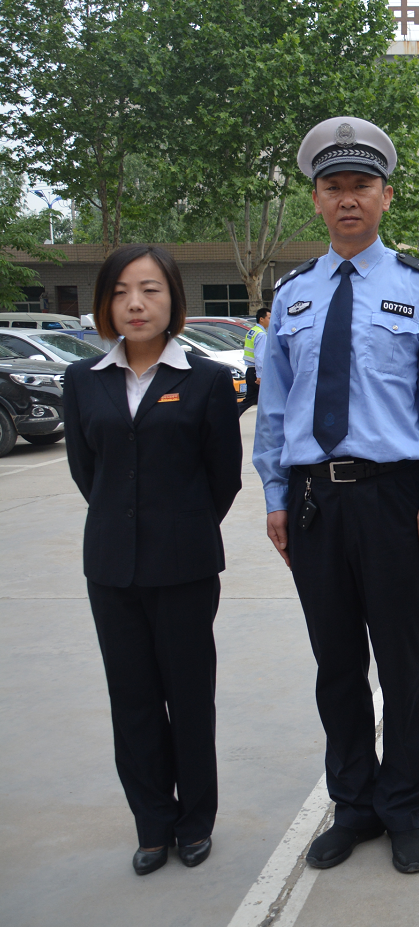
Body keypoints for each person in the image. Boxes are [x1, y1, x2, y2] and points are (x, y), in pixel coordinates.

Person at [253, 117, 419, 874]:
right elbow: (274, 407)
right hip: (313, 501)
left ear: (384, 196)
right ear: (316, 200)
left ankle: (404, 806)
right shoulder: (294, 296)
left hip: (391, 497)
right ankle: (353, 804)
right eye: (333, 186)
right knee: (336, 660)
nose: (348, 199)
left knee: (402, 660)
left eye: (361, 186)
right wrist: (275, 494)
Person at [63, 244, 243, 874]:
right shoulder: (82, 381)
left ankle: (195, 820)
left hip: (186, 568)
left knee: (189, 696)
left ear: (174, 300)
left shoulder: (207, 380)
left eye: (149, 290)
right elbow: (90, 475)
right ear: (104, 304)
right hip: (111, 568)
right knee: (132, 698)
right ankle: (151, 824)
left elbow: (224, 479)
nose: (135, 303)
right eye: (119, 292)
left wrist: (179, 529)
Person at [239, 306, 269, 416]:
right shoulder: (261, 334)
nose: (271, 320)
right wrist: (260, 375)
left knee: (249, 399)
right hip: (257, 373)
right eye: (269, 318)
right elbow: (260, 356)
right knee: (269, 399)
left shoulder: (252, 331)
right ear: (261, 319)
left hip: (251, 371)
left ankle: (230, 417)